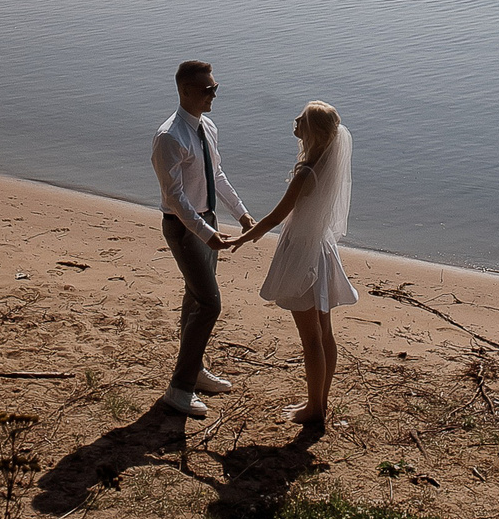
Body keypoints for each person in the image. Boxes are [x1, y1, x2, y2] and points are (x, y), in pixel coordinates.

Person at [226, 100, 356, 427]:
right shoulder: (324, 168)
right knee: (325, 331)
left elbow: (276, 216)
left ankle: (314, 409)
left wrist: (243, 237)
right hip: (322, 252)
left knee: (311, 336)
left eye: (302, 119)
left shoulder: (306, 173)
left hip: (303, 256)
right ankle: (320, 403)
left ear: (311, 131)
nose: (295, 121)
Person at [152, 59, 254, 418]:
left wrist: (241, 213)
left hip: (205, 220)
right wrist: (207, 234)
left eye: (215, 88)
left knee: (194, 299)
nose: (213, 95)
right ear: (185, 91)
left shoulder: (207, 126)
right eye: (207, 89)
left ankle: (193, 371)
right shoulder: (169, 137)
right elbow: (175, 198)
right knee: (209, 304)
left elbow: (218, 174)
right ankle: (178, 389)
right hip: (184, 228)